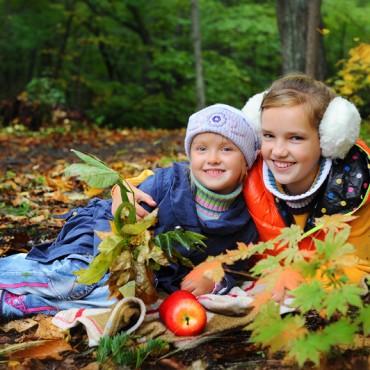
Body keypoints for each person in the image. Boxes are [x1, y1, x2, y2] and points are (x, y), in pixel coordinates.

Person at [0, 104, 259, 319]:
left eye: (226, 149)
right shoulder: (169, 183)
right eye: (202, 148)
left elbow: (238, 265)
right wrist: (122, 204)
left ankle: (18, 304)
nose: (213, 158)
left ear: (246, 160)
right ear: (190, 154)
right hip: (103, 241)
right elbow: (123, 208)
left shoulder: (244, 219)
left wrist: (215, 277)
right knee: (73, 278)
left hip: (143, 274)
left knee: (122, 303)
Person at [131, 74, 370, 287]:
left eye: (295, 138)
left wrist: (291, 283)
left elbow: (359, 267)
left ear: (329, 138)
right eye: (268, 136)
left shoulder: (357, 191)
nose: (278, 151)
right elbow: (186, 176)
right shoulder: (250, 169)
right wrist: (124, 189)